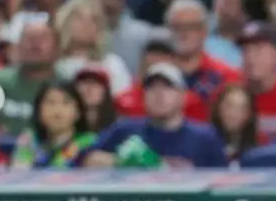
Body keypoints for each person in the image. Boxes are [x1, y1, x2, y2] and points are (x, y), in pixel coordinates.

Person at [78, 63, 228, 169]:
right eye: (152, 88)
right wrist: (122, 161)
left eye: (167, 87)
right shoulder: (125, 130)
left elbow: (223, 181)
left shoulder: (204, 137)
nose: (159, 94)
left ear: (182, 96)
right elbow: (84, 160)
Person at [11, 82, 97, 168]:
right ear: (38, 110)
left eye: (66, 103)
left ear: (78, 112)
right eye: (50, 102)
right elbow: (19, 171)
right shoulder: (29, 139)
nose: (57, 110)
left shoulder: (89, 142)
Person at [210, 83, 267, 165]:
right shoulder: (202, 143)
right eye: (229, 106)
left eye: (242, 108)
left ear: (250, 114)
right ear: (218, 107)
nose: (234, 114)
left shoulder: (261, 144)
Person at [73, 64, 120, 133]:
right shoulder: (67, 128)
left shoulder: (117, 126)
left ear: (106, 91)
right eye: (85, 83)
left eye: (95, 84)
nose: (89, 88)